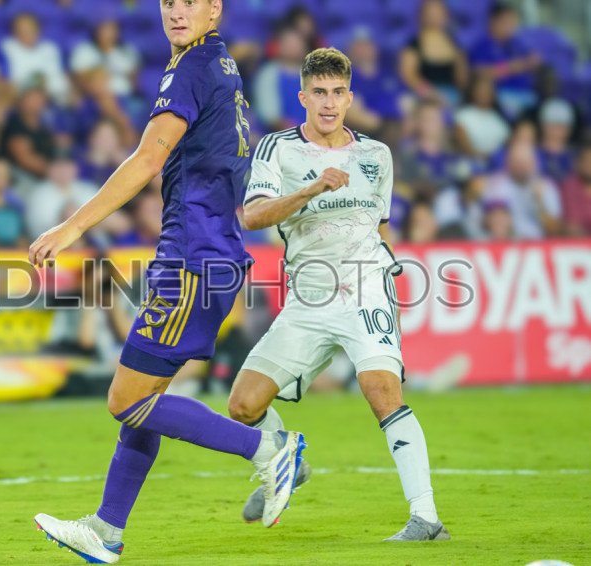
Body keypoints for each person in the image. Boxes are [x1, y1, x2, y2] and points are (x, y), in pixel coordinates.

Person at [31, 1, 305, 562]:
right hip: (208, 254)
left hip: (192, 259)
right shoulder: (220, 63)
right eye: (168, 2)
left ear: (214, 9)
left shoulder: (192, 68)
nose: (177, 12)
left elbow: (147, 159)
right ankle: (107, 530)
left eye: (190, 2)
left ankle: (267, 449)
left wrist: (72, 226)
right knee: (145, 398)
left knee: (127, 399)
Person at [230, 47, 449, 542]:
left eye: (337, 93)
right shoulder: (277, 149)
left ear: (350, 98)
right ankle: (286, 460)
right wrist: (310, 189)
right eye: (319, 93)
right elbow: (253, 216)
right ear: (302, 97)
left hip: (366, 287)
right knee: (243, 405)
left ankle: (426, 518)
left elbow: (381, 228)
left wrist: (389, 294)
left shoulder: (376, 155)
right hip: (308, 298)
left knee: (382, 391)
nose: (329, 103)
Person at [470, 3, 540, 118]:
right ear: (493, 22)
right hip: (499, 96)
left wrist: (534, 62)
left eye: (513, 22)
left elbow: (531, 61)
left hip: (526, 95)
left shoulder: (517, 44)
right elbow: (479, 73)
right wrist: (510, 68)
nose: (510, 27)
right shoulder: (482, 45)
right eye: (506, 22)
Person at [485, 140, 561, 239]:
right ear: (508, 163)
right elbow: (485, 222)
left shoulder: (546, 186)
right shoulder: (496, 184)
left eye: (524, 162)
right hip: (506, 241)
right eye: (516, 162)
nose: (520, 166)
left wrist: (539, 202)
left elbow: (555, 230)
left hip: (537, 242)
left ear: (534, 163)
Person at [398, 0, 468, 106]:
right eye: (430, 12)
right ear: (422, 15)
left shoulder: (455, 44)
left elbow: (462, 77)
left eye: (437, 12)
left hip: (452, 96)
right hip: (423, 97)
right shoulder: (414, 45)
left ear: (446, 15)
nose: (434, 17)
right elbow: (408, 75)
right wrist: (429, 93)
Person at [0, 13, 69, 103]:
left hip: (53, 97)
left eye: (29, 29)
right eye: (20, 30)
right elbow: (7, 81)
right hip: (20, 99)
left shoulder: (50, 49)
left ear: (38, 30)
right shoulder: (8, 47)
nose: (25, 33)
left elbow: (59, 78)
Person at [70, 18, 140, 99]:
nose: (109, 34)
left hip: (125, 94)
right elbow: (79, 78)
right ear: (96, 31)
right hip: (95, 95)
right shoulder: (84, 50)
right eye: (105, 30)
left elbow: (135, 77)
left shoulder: (126, 50)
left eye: (112, 30)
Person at [453, 73, 510, 161]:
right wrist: (484, 159)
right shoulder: (463, 115)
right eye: (480, 90)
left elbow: (507, 145)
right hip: (469, 161)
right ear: (472, 92)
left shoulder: (500, 118)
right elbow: (464, 146)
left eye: (487, 90)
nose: (483, 94)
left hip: (497, 163)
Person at [558, 144, 591, 237]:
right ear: (578, 163)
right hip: (577, 242)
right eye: (586, 161)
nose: (589, 165)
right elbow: (572, 226)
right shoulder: (569, 187)